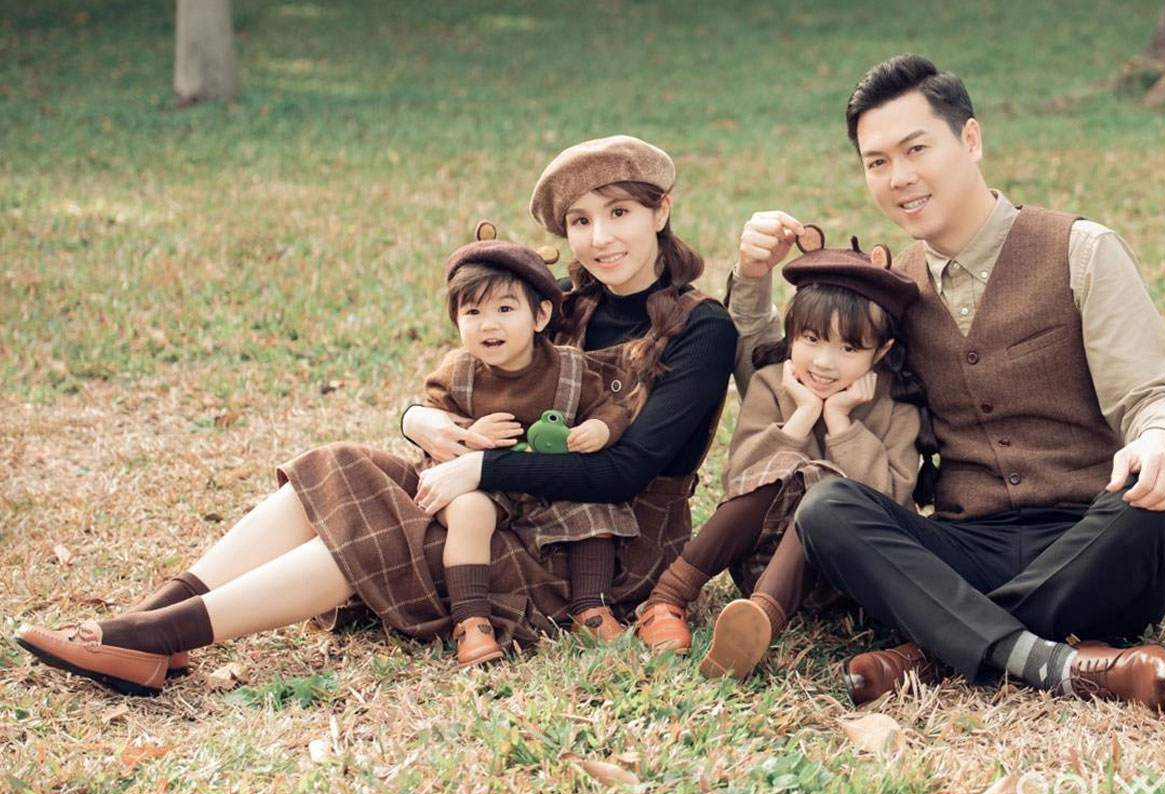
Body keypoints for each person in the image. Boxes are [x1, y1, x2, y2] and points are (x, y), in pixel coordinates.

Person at [15, 135, 737, 696]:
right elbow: (473, 380)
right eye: (581, 221)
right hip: (508, 500)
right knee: (334, 467)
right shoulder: (563, 307)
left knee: (385, 529)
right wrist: (417, 420)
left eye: (619, 213)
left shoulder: (701, 328)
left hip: (601, 544)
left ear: (660, 212)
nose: (601, 238)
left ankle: (157, 637)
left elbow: (625, 472)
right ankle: (148, 625)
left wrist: (480, 469)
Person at [726, 55, 1165, 713]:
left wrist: (1159, 441)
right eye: (877, 161)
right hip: (968, 545)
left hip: (1091, 533)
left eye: (916, 149)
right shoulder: (891, 293)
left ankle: (931, 651)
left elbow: (1154, 395)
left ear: (970, 139)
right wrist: (751, 280)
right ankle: (1059, 663)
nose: (899, 177)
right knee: (828, 510)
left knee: (1155, 507)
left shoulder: (1082, 250)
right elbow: (780, 377)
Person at [634, 234, 932, 685]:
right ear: (792, 333)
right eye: (811, 339)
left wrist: (842, 424)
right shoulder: (774, 383)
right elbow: (742, 480)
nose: (825, 363)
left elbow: (887, 502)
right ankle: (668, 597)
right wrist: (803, 415)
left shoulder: (897, 408)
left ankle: (757, 624)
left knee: (823, 493)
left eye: (849, 349)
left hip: (848, 581)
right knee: (791, 475)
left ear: (883, 351)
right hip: (762, 561)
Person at [418, 233, 640, 666]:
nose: (489, 325)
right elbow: (432, 421)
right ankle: (471, 620)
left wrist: (598, 428)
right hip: (476, 486)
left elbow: (611, 407)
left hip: (548, 483)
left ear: (540, 316)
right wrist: (467, 431)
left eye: (505, 309)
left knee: (595, 511)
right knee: (469, 513)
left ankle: (591, 607)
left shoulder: (568, 367)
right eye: (473, 312)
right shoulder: (458, 372)